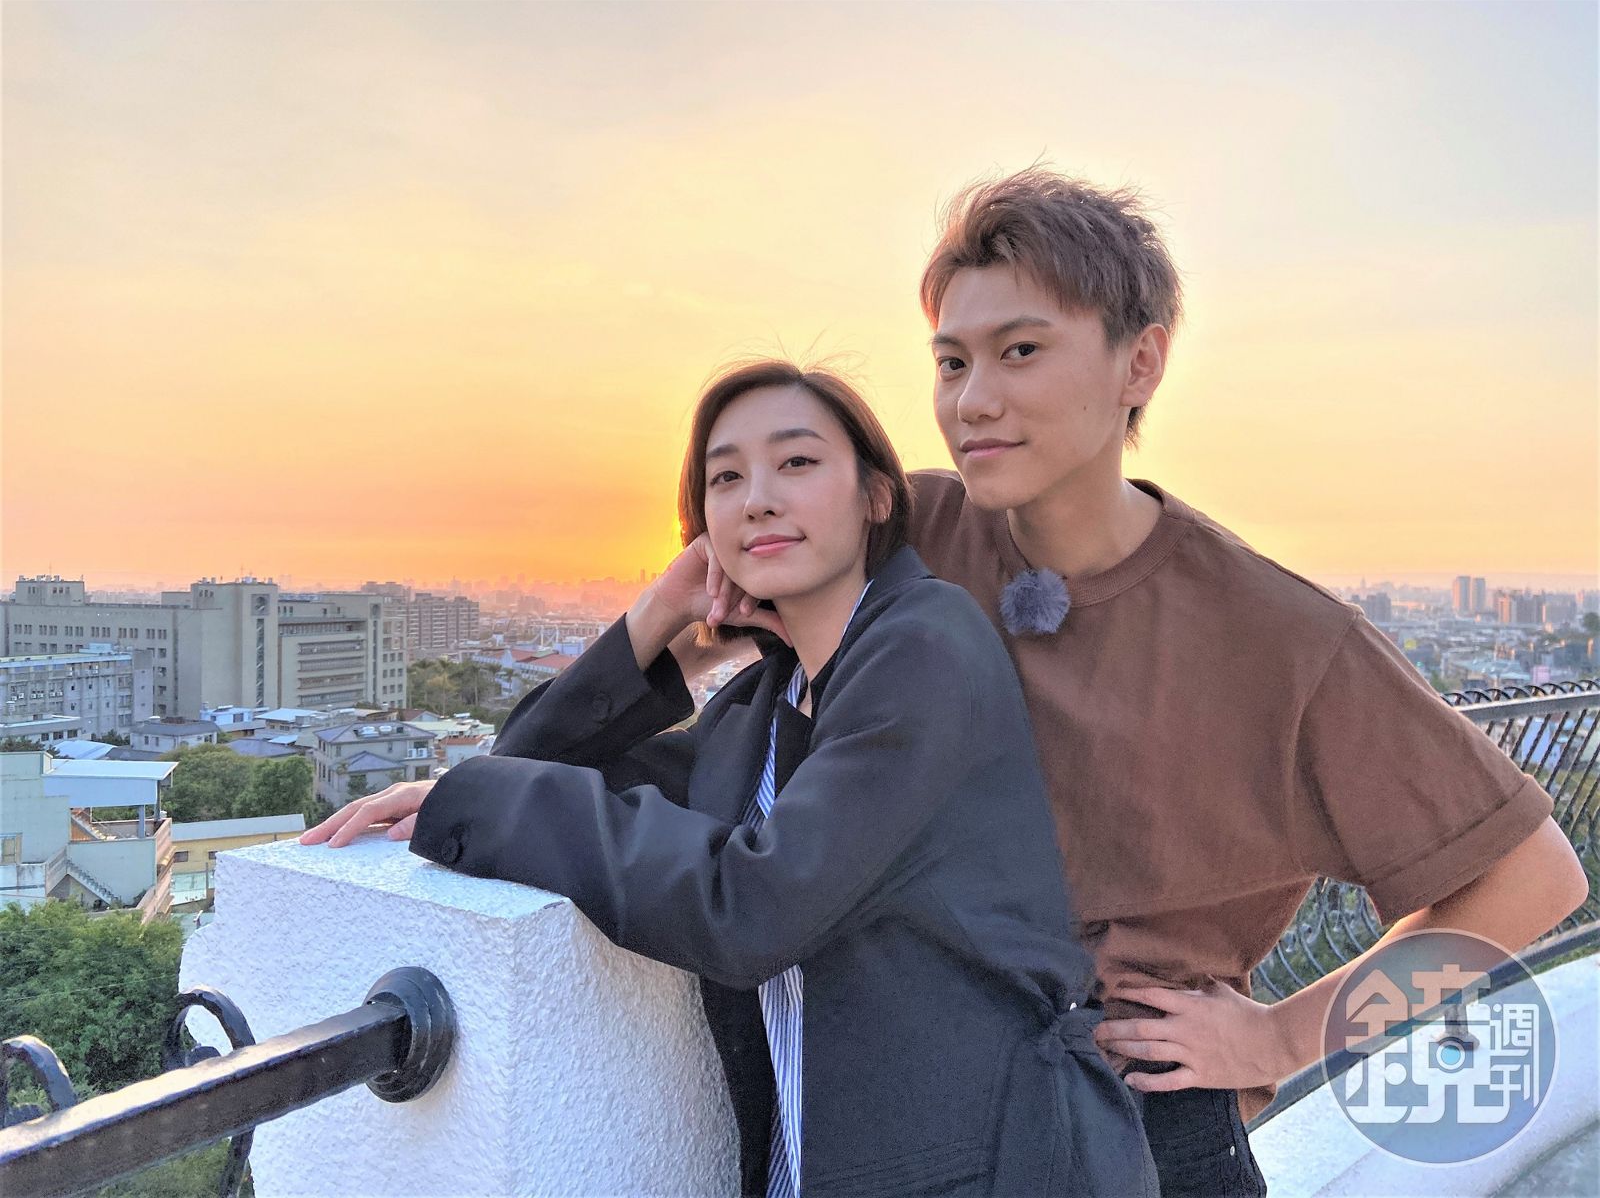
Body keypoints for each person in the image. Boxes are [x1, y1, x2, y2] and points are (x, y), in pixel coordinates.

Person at [698, 169, 1588, 1197]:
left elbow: (1534, 878)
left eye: (1020, 351)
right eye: (951, 362)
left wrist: (1280, 1037)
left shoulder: (1277, 635)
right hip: (900, 1110)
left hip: (1135, 1132)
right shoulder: (915, 529)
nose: (972, 400)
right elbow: (725, 614)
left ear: (1141, 361)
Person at [303, 359, 1162, 1198]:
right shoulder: (766, 706)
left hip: (1001, 1161)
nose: (758, 498)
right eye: (725, 479)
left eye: (798, 462)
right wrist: (661, 614)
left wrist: (481, 797)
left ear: (875, 496)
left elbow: (752, 906)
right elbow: (525, 763)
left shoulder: (927, 645)